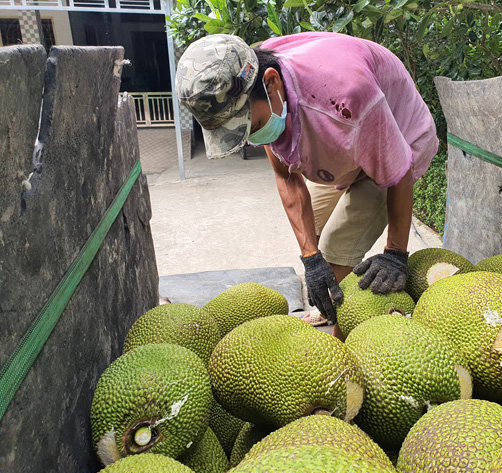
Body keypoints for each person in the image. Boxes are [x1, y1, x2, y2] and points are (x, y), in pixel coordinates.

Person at [175, 32, 439, 328]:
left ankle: (340, 335)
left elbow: (399, 173)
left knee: (337, 243)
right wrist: (311, 259)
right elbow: (285, 176)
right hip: (345, 139)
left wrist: (395, 254)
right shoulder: (248, 70)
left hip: (395, 137)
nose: (253, 137)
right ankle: (331, 305)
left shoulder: (348, 97)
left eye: (254, 126)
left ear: (272, 84)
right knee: (311, 236)